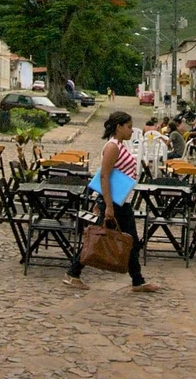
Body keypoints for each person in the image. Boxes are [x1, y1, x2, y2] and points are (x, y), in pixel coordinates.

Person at [64, 111, 160, 292]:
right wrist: (107, 205)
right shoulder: (112, 147)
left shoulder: (120, 145)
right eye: (129, 127)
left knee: (128, 239)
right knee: (100, 238)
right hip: (114, 202)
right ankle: (73, 273)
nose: (132, 131)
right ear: (119, 127)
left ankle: (137, 280)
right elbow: (104, 176)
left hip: (120, 200)